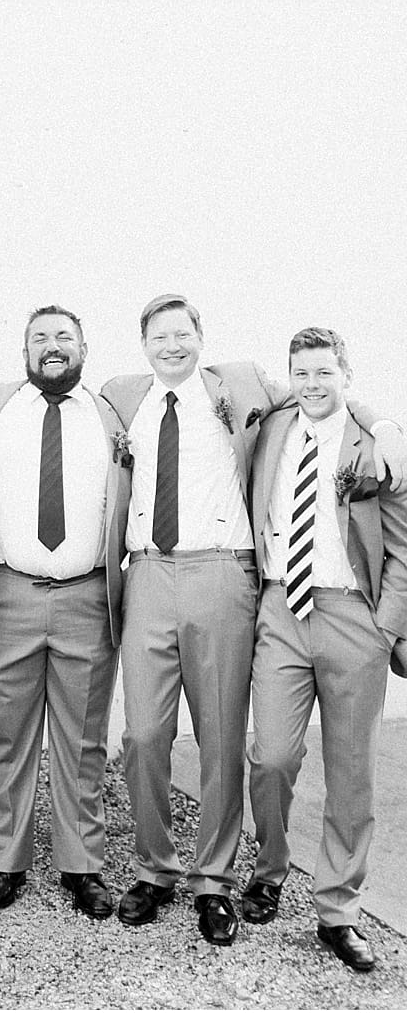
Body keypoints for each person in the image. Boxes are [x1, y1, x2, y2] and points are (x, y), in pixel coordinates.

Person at [101, 295, 400, 949]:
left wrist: (385, 426)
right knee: (147, 737)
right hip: (153, 572)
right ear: (143, 342)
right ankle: (156, 868)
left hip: (232, 579)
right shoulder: (121, 396)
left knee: (227, 742)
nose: (172, 345)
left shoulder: (241, 387)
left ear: (201, 338)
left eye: (182, 333)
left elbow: (331, 401)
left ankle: (223, 882)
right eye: (159, 335)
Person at [239, 327, 405, 974]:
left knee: (349, 773)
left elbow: (401, 544)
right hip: (281, 607)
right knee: (271, 754)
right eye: (302, 373)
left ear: (345, 374)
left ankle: (337, 908)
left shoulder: (373, 442)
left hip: (350, 617)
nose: (312, 384)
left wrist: (383, 629)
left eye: (324, 373)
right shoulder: (278, 421)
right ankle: (269, 867)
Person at [0, 306, 125, 920]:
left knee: (82, 740)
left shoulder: (113, 412)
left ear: (85, 345)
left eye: (63, 337)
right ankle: (6, 860)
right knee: (9, 737)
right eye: (39, 338)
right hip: (6, 594)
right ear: (22, 348)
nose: (51, 347)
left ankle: (81, 865)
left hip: (86, 596)